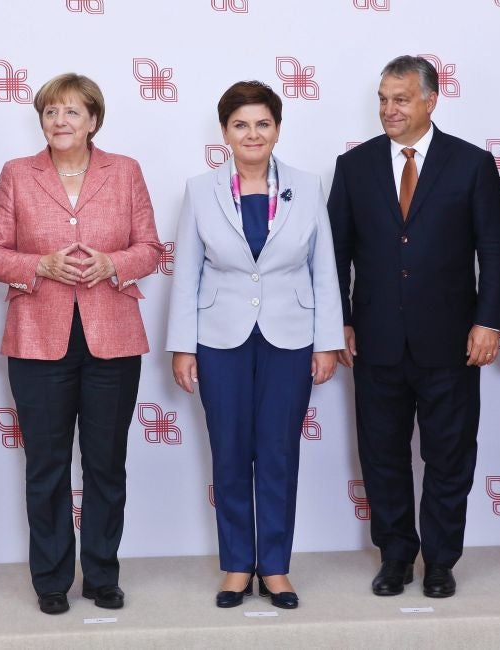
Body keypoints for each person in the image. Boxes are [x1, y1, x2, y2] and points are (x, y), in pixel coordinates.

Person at [0, 73, 161, 616]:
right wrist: (39, 265)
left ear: (94, 121)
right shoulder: (17, 174)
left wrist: (114, 263)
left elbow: (149, 249)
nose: (60, 121)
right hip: (37, 340)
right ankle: (52, 580)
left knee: (106, 464)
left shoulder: (125, 172)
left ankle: (103, 575)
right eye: (51, 112)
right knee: (47, 466)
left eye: (72, 112)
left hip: (113, 339)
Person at [328, 56, 500, 599]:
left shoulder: (471, 164)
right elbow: (336, 254)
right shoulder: (355, 166)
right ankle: (396, 556)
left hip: (453, 343)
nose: (389, 109)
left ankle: (440, 560)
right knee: (381, 455)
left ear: (431, 100)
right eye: (383, 98)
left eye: (400, 99)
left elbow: (496, 251)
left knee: (449, 456)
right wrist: (339, 321)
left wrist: (488, 322)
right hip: (376, 340)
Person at [166, 81, 344, 610]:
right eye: (240, 124)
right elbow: (187, 274)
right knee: (229, 453)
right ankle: (238, 566)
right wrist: (183, 346)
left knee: (278, 453)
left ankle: (276, 566)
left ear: (278, 129)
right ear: (224, 132)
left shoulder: (308, 187)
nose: (252, 134)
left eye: (262, 123)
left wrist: (328, 341)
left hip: (291, 336)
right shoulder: (201, 190)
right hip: (219, 338)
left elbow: (325, 269)